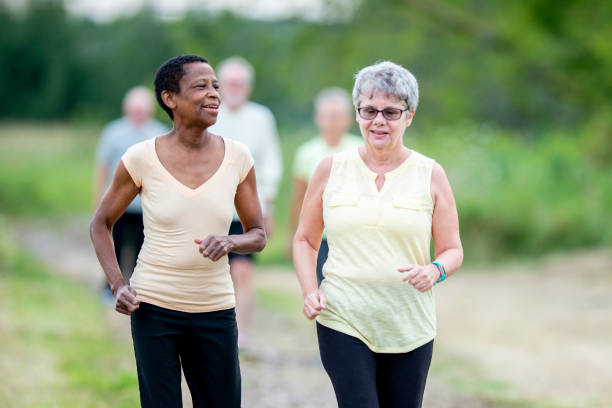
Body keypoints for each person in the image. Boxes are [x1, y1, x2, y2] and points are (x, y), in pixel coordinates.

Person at [90, 54, 266, 408]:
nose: (214, 93)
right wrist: (117, 284)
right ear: (170, 98)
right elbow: (100, 224)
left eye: (215, 85)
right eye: (201, 86)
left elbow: (258, 233)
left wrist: (231, 241)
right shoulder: (141, 158)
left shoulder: (238, 157)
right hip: (154, 307)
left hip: (215, 309)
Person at [293, 61, 463, 408]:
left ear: (409, 115)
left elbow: (452, 250)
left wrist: (434, 270)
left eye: (390, 111)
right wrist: (310, 291)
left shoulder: (430, 173)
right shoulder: (330, 168)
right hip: (343, 317)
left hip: (409, 326)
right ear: (357, 113)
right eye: (369, 110)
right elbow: (305, 241)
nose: (379, 121)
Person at [209, 56, 282, 349]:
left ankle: (242, 336)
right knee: (213, 272)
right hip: (213, 207)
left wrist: (269, 208)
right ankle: (214, 335)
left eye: (240, 83)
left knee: (243, 272)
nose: (235, 87)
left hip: (250, 207)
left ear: (248, 86)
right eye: (230, 83)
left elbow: (271, 163)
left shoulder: (261, 117)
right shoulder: (210, 114)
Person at [94, 86, 168, 302]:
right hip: (117, 203)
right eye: (135, 109)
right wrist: (98, 200)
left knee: (141, 249)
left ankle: (138, 290)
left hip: (146, 205)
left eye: (142, 109)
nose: (138, 113)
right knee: (113, 245)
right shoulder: (113, 132)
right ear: (127, 109)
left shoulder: (159, 133)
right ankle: (110, 288)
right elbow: (103, 168)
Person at [288, 87, 361, 284]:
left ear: (348, 118)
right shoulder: (306, 153)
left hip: (353, 236)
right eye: (328, 116)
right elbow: (299, 197)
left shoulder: (361, 149)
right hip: (319, 238)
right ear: (318, 118)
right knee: (323, 288)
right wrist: (292, 234)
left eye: (338, 116)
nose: (333, 121)